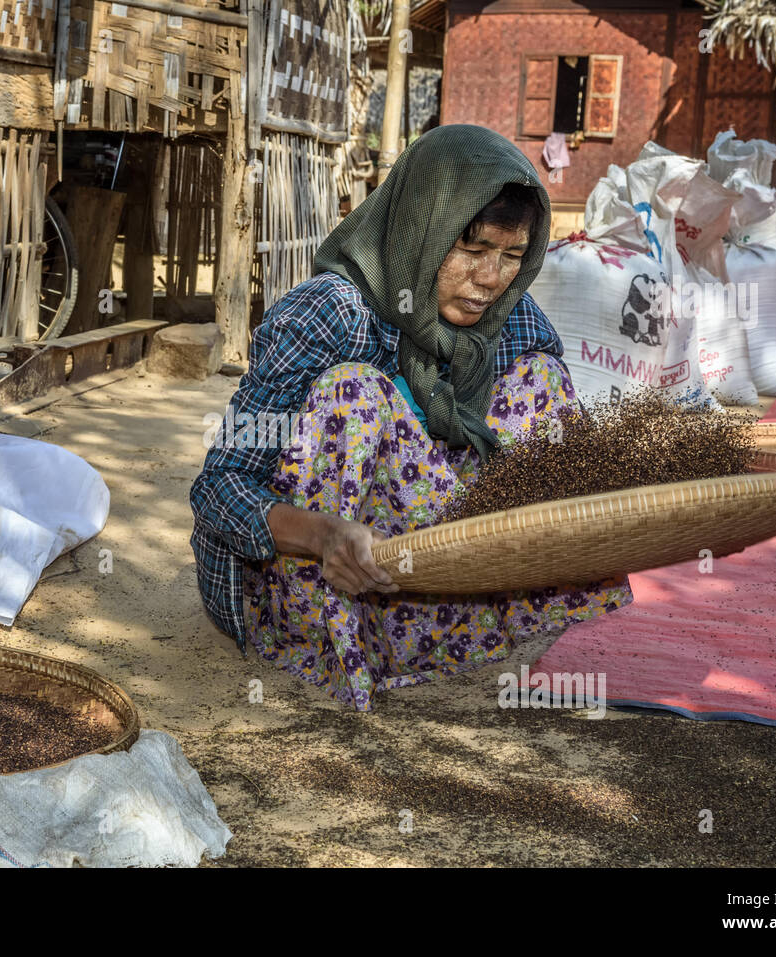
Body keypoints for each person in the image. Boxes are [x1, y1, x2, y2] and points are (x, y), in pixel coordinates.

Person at [190, 125, 632, 711]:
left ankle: (464, 614)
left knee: (541, 383)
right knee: (358, 393)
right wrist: (326, 537)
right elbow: (218, 488)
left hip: (439, 571)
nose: (491, 279)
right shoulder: (330, 314)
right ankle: (355, 637)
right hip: (320, 577)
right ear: (421, 231)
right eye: (472, 251)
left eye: (512, 257)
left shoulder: (512, 318)